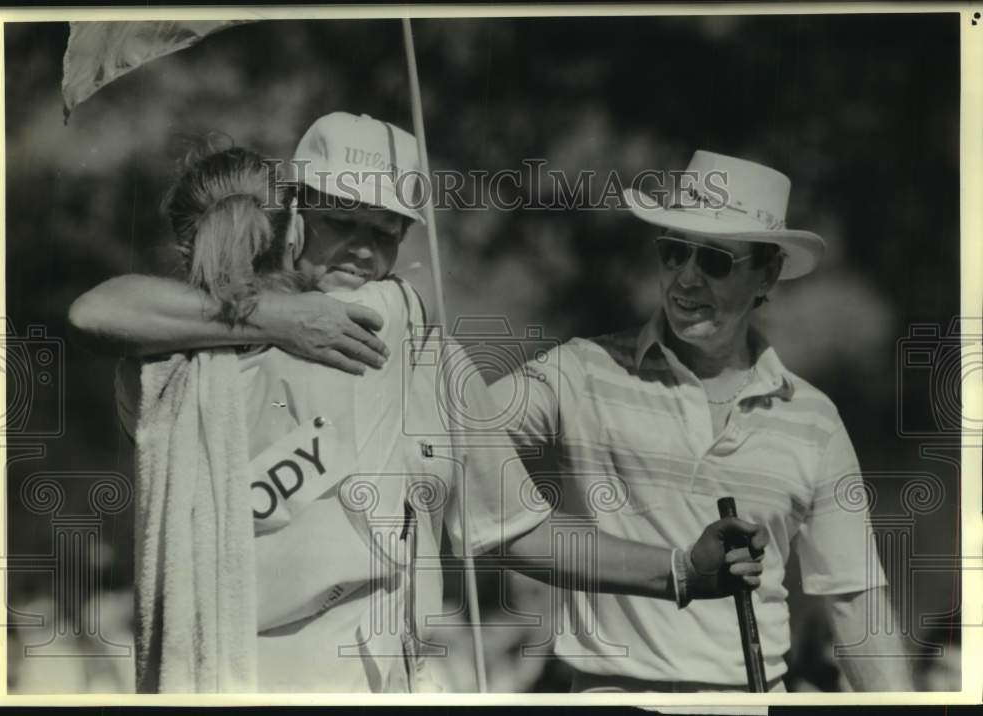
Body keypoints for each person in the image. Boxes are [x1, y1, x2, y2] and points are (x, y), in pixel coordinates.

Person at [68, 118, 770, 693]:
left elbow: (517, 530)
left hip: (380, 676)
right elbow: (96, 310)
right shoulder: (195, 355)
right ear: (294, 216)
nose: (366, 250)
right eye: (344, 220)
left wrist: (678, 570)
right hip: (234, 673)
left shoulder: (417, 348)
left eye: (387, 231)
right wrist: (281, 320)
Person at [488, 150, 913, 692]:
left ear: (769, 273)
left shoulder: (814, 419)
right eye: (673, 253)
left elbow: (855, 601)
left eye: (714, 261)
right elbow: (452, 437)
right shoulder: (579, 370)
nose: (685, 279)